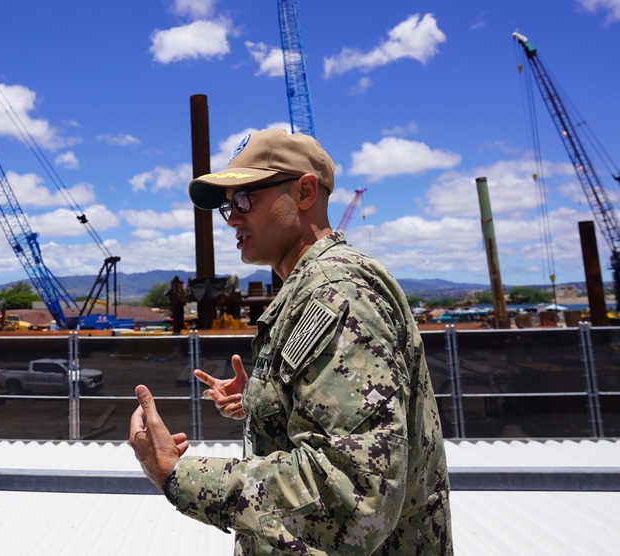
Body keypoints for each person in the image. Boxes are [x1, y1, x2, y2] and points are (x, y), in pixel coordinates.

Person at [129, 128, 452, 554]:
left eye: (245, 198)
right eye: (229, 206)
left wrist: (175, 473)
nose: (233, 218)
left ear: (304, 192)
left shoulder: (337, 293)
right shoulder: (310, 290)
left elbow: (353, 495)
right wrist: (269, 401)